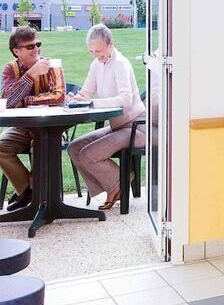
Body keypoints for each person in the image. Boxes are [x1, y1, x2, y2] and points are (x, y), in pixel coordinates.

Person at [67, 24, 145, 210]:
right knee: (74, 148)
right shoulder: (97, 64)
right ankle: (117, 182)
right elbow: (86, 92)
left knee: (89, 154)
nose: (96, 55)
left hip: (136, 127)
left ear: (110, 44)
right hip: (118, 127)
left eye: (99, 50)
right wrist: (76, 98)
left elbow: (126, 100)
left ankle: (117, 185)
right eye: (92, 51)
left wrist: (92, 103)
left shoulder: (120, 64)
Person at [0, 26, 65, 211]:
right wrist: (31, 74)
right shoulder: (10, 69)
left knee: (41, 143)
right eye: (29, 47)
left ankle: (34, 195)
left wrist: (26, 100)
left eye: (38, 44)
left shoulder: (52, 65)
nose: (36, 49)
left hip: (52, 127)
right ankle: (28, 191)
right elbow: (7, 101)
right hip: (23, 126)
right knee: (1, 147)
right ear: (16, 51)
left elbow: (58, 97)